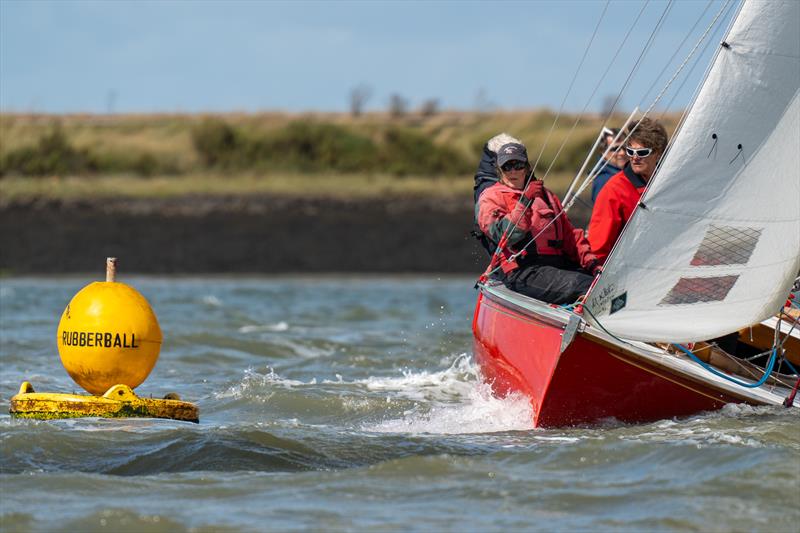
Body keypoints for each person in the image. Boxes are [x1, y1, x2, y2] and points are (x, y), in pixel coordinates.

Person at [476, 141, 601, 305]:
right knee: (585, 286)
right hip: (523, 270)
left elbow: (570, 236)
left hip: (557, 265)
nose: (513, 171)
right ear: (500, 170)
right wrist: (525, 201)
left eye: (518, 165)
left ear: (527, 167)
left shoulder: (546, 196)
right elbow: (505, 236)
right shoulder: (490, 198)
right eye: (507, 166)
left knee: (605, 285)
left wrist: (592, 264)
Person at [588, 118, 668, 264]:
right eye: (631, 151)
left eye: (642, 152)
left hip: (664, 261)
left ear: (658, 153)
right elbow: (598, 248)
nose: (635, 157)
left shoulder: (668, 183)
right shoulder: (613, 191)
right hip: (628, 270)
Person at [590, 127, 629, 203]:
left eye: (625, 147)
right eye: (615, 149)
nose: (622, 153)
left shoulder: (631, 172)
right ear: (603, 152)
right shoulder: (603, 181)